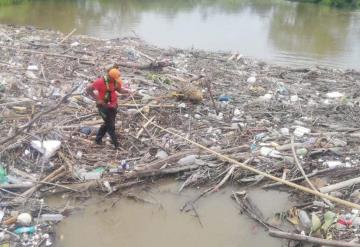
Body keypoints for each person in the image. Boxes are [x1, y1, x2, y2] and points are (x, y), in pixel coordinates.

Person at [85, 68, 131, 149]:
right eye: (115, 79)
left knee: (107, 123)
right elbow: (88, 89)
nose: (116, 80)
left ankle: (98, 140)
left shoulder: (115, 81)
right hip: (103, 107)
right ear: (110, 76)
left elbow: (119, 90)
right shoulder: (100, 82)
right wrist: (97, 99)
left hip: (113, 107)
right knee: (111, 126)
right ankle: (116, 145)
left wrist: (127, 91)